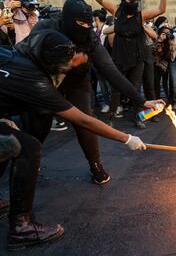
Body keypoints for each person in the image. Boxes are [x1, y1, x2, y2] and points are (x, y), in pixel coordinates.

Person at [0, 30, 148, 250]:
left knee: (8, 135)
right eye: (67, 65)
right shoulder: (35, 81)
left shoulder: (18, 53)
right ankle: (22, 227)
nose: (71, 66)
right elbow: (84, 120)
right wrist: (126, 138)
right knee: (27, 147)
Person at [21, 0, 164, 185]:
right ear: (68, 20)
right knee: (39, 124)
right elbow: (26, 57)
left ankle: (95, 164)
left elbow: (111, 71)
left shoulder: (91, 40)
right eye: (81, 23)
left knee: (85, 120)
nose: (86, 27)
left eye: (89, 23)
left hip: (77, 82)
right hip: (44, 81)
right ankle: (29, 161)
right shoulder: (46, 29)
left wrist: (141, 100)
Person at [92, 0, 166, 128]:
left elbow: (161, 10)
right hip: (119, 57)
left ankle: (138, 118)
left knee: (135, 88)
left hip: (137, 58)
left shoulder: (141, 15)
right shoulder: (116, 12)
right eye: (128, 2)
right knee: (116, 89)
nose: (131, 4)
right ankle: (111, 117)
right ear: (123, 1)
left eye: (133, 2)